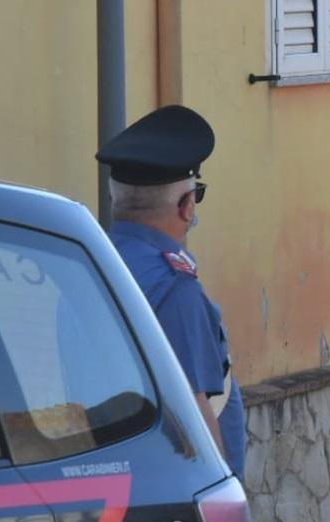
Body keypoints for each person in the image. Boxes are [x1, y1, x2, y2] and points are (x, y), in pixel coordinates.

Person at [96, 105, 245, 478]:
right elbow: (192, 409)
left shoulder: (94, 264)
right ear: (186, 205)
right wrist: (221, 498)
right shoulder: (174, 285)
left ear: (116, 198)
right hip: (174, 484)